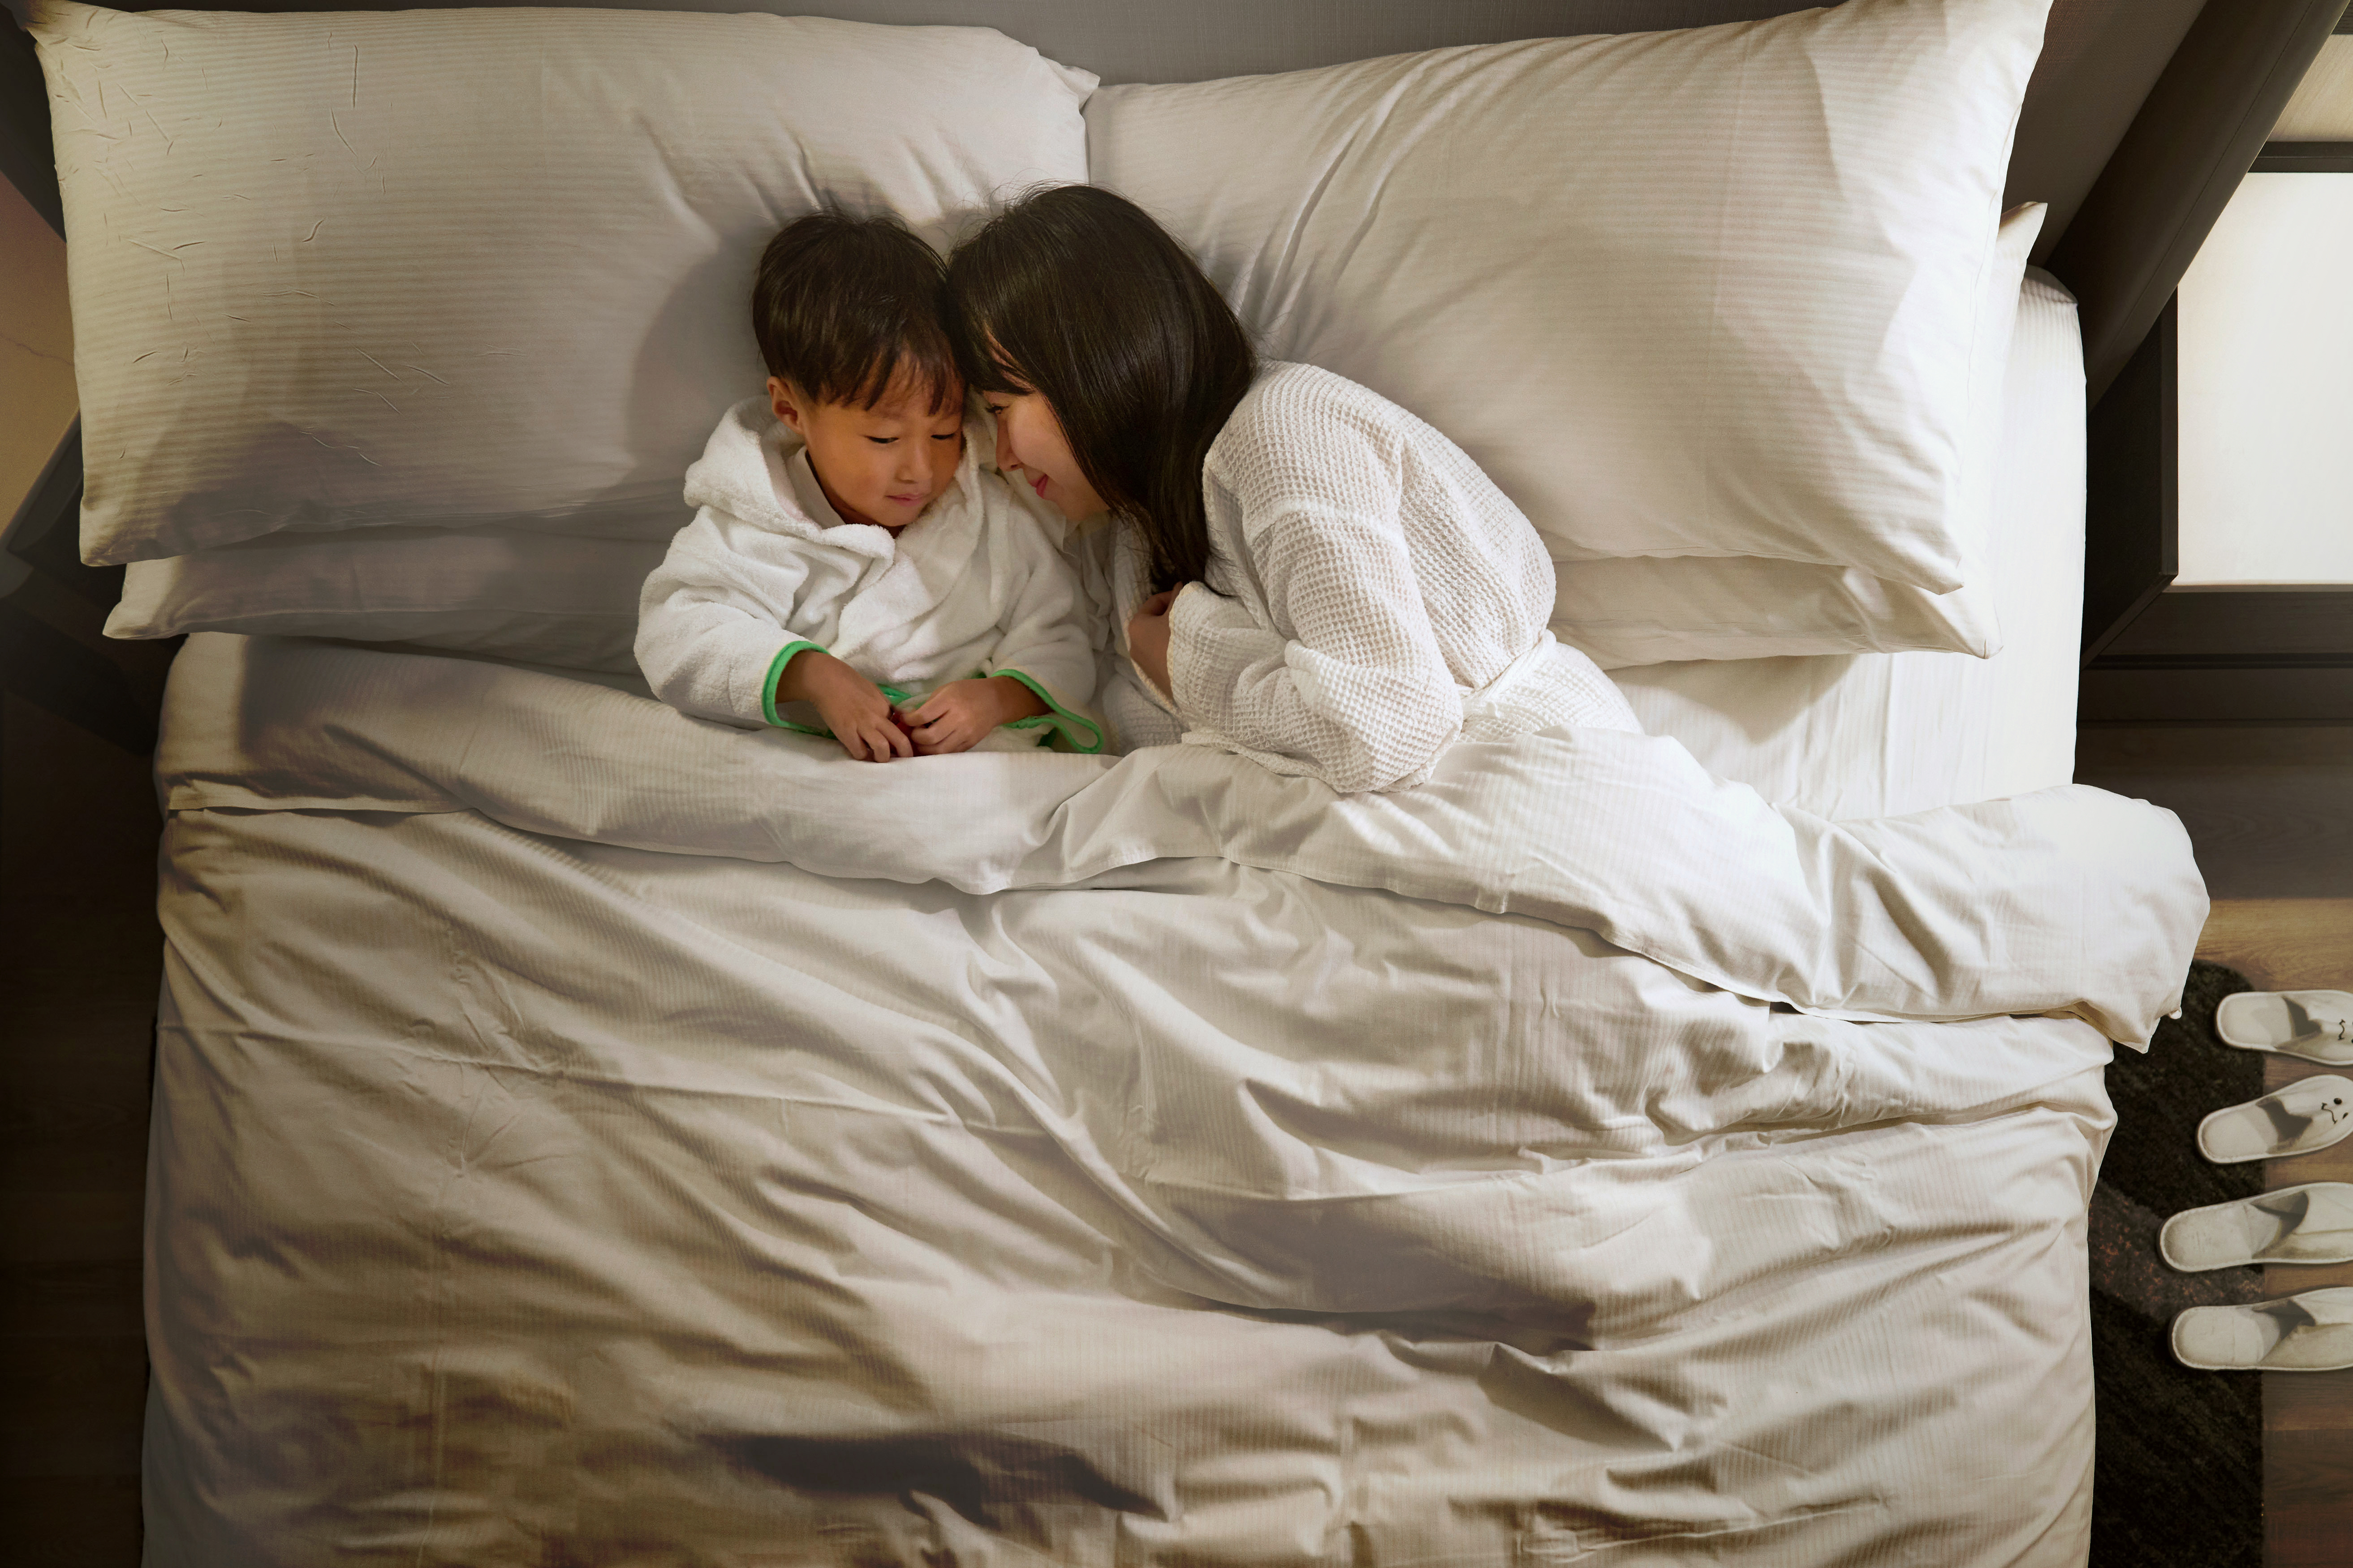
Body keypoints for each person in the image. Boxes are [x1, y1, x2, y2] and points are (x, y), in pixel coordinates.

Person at [944, 184, 1642, 795]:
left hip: (1527, 773)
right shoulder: (1137, 531)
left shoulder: (1282, 434)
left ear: (1093, 364)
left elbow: (1389, 726)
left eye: (1004, 408)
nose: (1002, 457)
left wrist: (1197, 661)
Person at [636, 211, 1100, 761]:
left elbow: (1060, 635)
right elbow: (674, 634)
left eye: (944, 431)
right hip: (806, 760)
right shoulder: (755, 516)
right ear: (790, 409)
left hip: (971, 763)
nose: (921, 469)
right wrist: (811, 675)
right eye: (883, 438)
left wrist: (997, 699)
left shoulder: (987, 513)